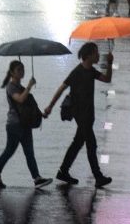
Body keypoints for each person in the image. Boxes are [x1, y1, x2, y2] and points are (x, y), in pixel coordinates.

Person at [43, 42, 113, 187]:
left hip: (88, 114)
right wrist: (50, 106)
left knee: (78, 143)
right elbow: (62, 88)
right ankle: (98, 176)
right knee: (91, 145)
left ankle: (63, 171)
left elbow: (107, 79)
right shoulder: (77, 72)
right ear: (88, 56)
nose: (98, 55)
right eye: (96, 52)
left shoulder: (91, 71)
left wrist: (110, 64)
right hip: (81, 115)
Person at [0, 60, 52, 189]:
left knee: (29, 152)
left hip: (24, 125)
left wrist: (41, 114)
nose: (22, 72)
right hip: (14, 125)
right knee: (9, 151)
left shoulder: (21, 88)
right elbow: (20, 99)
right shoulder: (11, 87)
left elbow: (28, 107)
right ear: (12, 72)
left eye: (23, 69)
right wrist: (29, 86)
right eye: (19, 70)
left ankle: (37, 178)